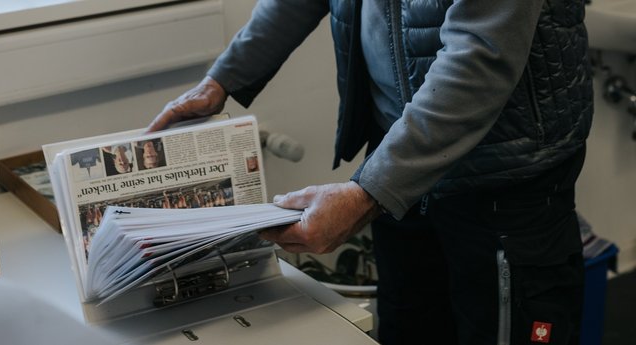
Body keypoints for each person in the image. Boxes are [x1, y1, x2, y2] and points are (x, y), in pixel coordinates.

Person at [148, 1, 592, 344]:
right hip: (397, 160)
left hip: (501, 173)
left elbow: (481, 55)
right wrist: (222, 79)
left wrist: (366, 193)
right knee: (410, 327)